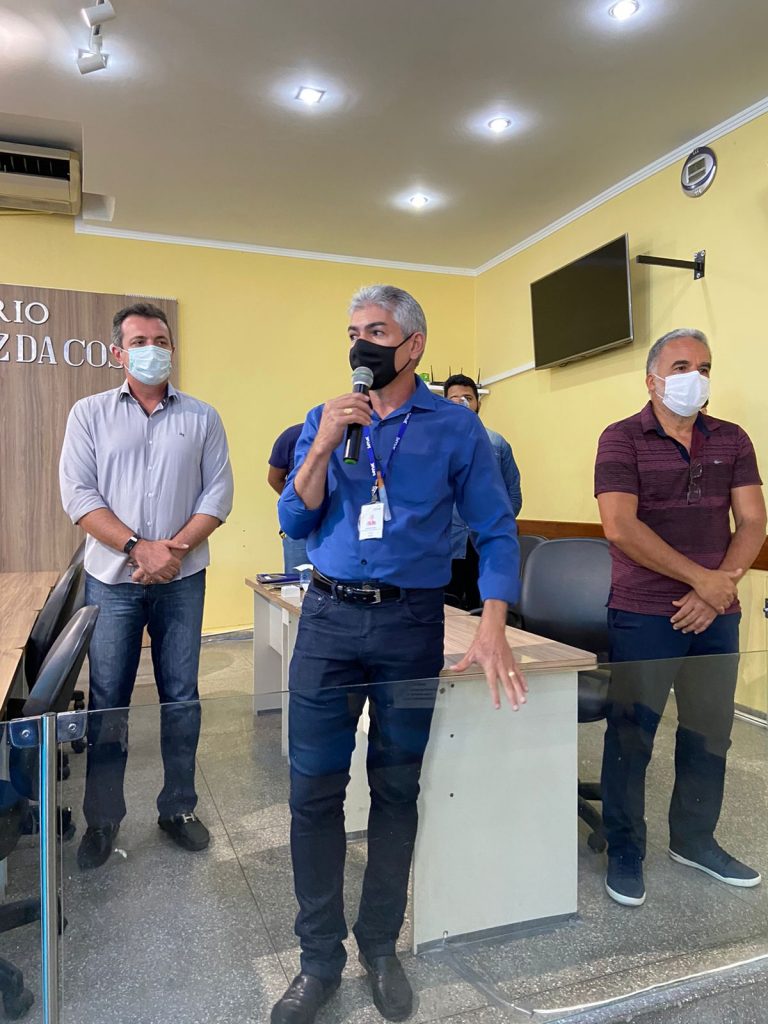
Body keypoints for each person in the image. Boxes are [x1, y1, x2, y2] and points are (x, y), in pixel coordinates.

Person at [272, 285, 526, 1024]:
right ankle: (318, 959)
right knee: (313, 791)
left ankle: (380, 944)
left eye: (376, 331)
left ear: (413, 345)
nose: (361, 345)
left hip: (410, 627)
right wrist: (324, 442)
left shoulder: (456, 428)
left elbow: (497, 530)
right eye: (353, 330)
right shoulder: (324, 417)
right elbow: (294, 516)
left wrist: (493, 624)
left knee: (396, 786)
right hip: (326, 623)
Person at [594, 327, 766, 908]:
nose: (697, 377)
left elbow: (753, 521)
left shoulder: (732, 439)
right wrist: (702, 580)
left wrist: (718, 589)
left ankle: (694, 839)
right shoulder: (621, 438)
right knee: (632, 734)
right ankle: (624, 848)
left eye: (705, 367)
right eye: (683, 366)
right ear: (653, 380)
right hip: (643, 611)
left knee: (709, 732)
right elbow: (620, 526)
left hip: (717, 612)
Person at [59, 302, 234, 870]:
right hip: (113, 579)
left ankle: (178, 808)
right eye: (138, 342)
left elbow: (218, 495)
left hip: (182, 579)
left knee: (181, 695)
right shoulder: (88, 414)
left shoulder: (203, 416)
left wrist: (171, 551)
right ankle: (103, 818)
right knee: (108, 699)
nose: (151, 349)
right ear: (118, 353)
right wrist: (139, 548)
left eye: (160, 340)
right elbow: (79, 495)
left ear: (172, 349)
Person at [443, 373, 522, 609]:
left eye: (467, 398)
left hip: (484, 544)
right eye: (453, 399)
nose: (461, 403)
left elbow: (513, 493)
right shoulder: (435, 444)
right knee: (447, 608)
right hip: (446, 544)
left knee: (482, 608)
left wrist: (497, 528)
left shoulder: (497, 443)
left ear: (478, 403)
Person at [268, 423, 309, 573]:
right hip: (301, 528)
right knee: (299, 583)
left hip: (339, 528)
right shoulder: (293, 436)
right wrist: (298, 505)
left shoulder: (353, 438)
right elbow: (274, 479)